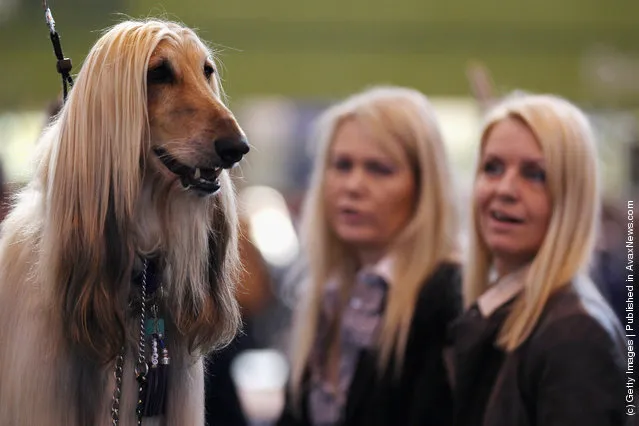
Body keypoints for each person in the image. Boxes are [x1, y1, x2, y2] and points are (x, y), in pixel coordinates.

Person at [277, 86, 462, 426]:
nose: (353, 185)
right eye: (342, 165)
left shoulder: (447, 295)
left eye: (379, 169)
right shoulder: (326, 293)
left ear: (424, 187)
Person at [450, 93, 628, 426]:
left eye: (534, 175)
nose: (504, 188)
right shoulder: (507, 311)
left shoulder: (576, 336)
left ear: (571, 197)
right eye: (492, 168)